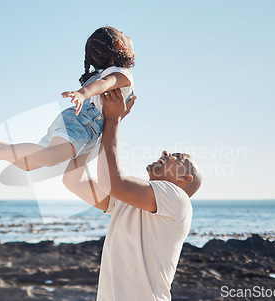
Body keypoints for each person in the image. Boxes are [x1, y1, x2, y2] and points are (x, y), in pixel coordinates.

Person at [63, 89, 202, 300]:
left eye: (178, 157)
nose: (166, 152)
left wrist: (113, 120)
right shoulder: (129, 200)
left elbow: (112, 182)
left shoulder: (177, 199)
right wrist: (96, 124)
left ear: (185, 179)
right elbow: (73, 180)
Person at [0, 26, 135, 173]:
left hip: (76, 119)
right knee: (49, 157)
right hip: (83, 121)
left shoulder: (103, 73)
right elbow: (105, 84)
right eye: (124, 34)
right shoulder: (121, 73)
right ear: (120, 44)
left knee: (28, 163)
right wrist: (83, 93)